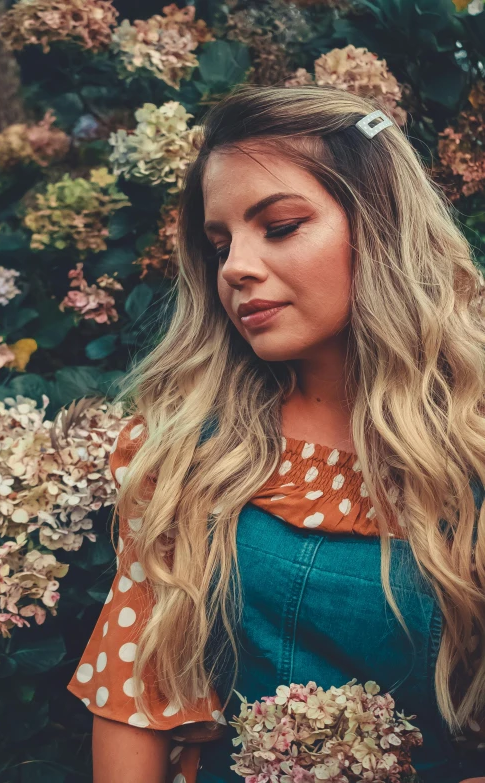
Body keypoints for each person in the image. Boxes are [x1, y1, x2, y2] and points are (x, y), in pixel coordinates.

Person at [66, 84, 485, 783]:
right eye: (219, 242)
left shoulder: (470, 448)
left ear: (377, 223)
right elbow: (133, 699)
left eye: (281, 225)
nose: (235, 267)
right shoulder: (183, 448)